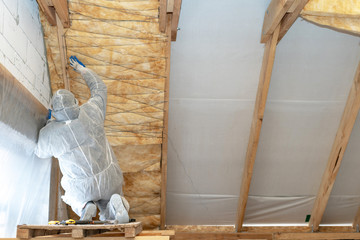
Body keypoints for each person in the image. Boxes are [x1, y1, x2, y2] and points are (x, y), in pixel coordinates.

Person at [34, 56, 129, 223]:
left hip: (81, 187)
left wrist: (50, 123)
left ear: (54, 111)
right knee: (111, 202)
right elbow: (100, 88)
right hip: (109, 178)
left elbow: (40, 151)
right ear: (76, 103)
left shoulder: (52, 134)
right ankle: (116, 204)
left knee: (75, 199)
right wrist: (81, 69)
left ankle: (85, 206)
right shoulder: (92, 110)